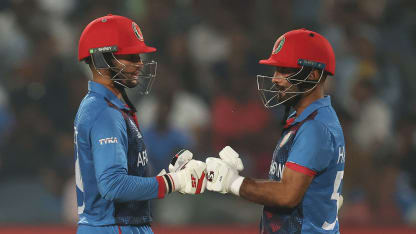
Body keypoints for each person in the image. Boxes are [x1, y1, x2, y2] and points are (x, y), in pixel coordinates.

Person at [74, 14, 206, 234]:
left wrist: (167, 176)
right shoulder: (104, 112)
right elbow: (113, 186)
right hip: (113, 228)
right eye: (130, 56)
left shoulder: (108, 106)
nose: (139, 63)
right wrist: (174, 182)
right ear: (100, 60)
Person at [206, 29, 345, 234]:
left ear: (314, 75)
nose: (275, 79)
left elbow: (287, 195)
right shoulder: (310, 119)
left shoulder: (314, 127)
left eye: (285, 70)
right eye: (276, 70)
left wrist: (232, 182)